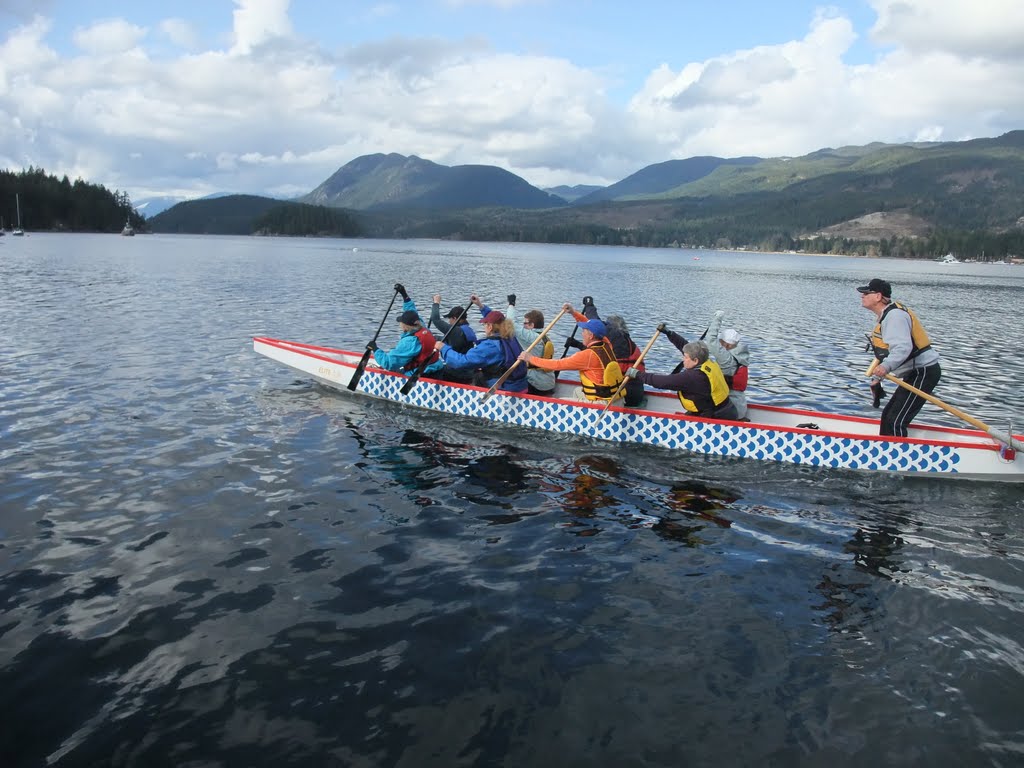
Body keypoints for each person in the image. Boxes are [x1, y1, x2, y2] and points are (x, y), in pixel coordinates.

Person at [858, 277, 941, 436]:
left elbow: (903, 348)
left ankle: (896, 450)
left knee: (894, 420)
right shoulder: (886, 316)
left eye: (867, 293)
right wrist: (877, 378)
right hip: (915, 372)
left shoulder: (895, 316)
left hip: (923, 372)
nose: (862, 296)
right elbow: (885, 353)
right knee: (888, 416)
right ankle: (886, 447)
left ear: (878, 296)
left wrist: (885, 367)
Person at [627, 330, 738, 420]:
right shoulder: (706, 361)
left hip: (715, 417)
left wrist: (637, 374)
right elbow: (685, 346)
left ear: (695, 360)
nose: (683, 359)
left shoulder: (692, 377)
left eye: (685, 357)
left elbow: (662, 382)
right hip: (726, 410)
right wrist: (670, 333)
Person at [520, 311, 624, 403]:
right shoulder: (607, 344)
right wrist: (573, 312)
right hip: (615, 399)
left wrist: (530, 358)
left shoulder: (587, 355)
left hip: (603, 404)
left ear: (591, 335)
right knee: (577, 391)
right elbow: (595, 326)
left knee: (559, 403)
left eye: (584, 331)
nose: (582, 334)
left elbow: (557, 365)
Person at [564, 296, 646, 406]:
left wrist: (589, 306)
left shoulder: (613, 336)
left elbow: (593, 321)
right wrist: (578, 344)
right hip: (637, 393)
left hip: (623, 394)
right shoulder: (629, 343)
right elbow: (600, 356)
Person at [474, 293, 556, 396]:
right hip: (549, 382)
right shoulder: (545, 337)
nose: (523, 326)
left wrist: (511, 304)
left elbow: (509, 322)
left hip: (536, 384)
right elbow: (499, 322)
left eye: (525, 323)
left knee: (482, 376)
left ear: (532, 325)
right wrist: (481, 306)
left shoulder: (532, 337)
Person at [435, 308, 528, 392]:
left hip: (504, 389)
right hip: (520, 385)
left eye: (484, 325)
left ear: (490, 327)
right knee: (479, 372)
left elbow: (462, 362)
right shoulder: (511, 338)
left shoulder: (490, 346)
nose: (484, 327)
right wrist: (480, 305)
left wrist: (444, 348)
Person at [370, 283, 444, 377]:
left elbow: (389, 363)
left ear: (405, 326)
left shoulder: (410, 341)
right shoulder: (422, 327)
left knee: (392, 367)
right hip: (436, 368)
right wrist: (404, 294)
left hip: (421, 374)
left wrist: (375, 349)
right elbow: (411, 311)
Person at [706, 310, 751, 420]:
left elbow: (711, 340)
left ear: (725, 344)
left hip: (730, 410)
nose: (719, 344)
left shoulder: (726, 359)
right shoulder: (741, 357)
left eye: (720, 342)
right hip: (740, 406)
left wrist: (718, 318)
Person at [429, 295, 478, 383]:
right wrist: (433, 338)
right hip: (469, 371)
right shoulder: (467, 330)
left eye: (450, 319)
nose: (449, 322)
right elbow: (453, 341)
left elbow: (435, 319)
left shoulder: (456, 331)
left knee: (431, 372)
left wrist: (436, 302)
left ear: (455, 318)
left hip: (457, 373)